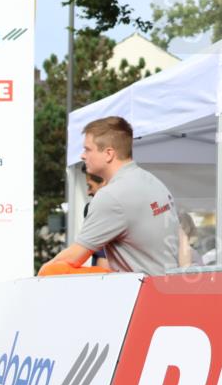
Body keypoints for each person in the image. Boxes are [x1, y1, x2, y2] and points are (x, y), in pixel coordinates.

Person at [41, 116, 180, 276]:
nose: (82, 156)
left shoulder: (112, 196)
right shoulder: (153, 182)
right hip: (164, 286)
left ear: (108, 153)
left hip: (141, 294)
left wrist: (40, 275)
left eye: (87, 149)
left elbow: (70, 260)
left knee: (52, 270)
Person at [82, 167, 110, 269]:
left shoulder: (97, 209)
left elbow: (104, 260)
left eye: (90, 186)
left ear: (103, 182)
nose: (88, 192)